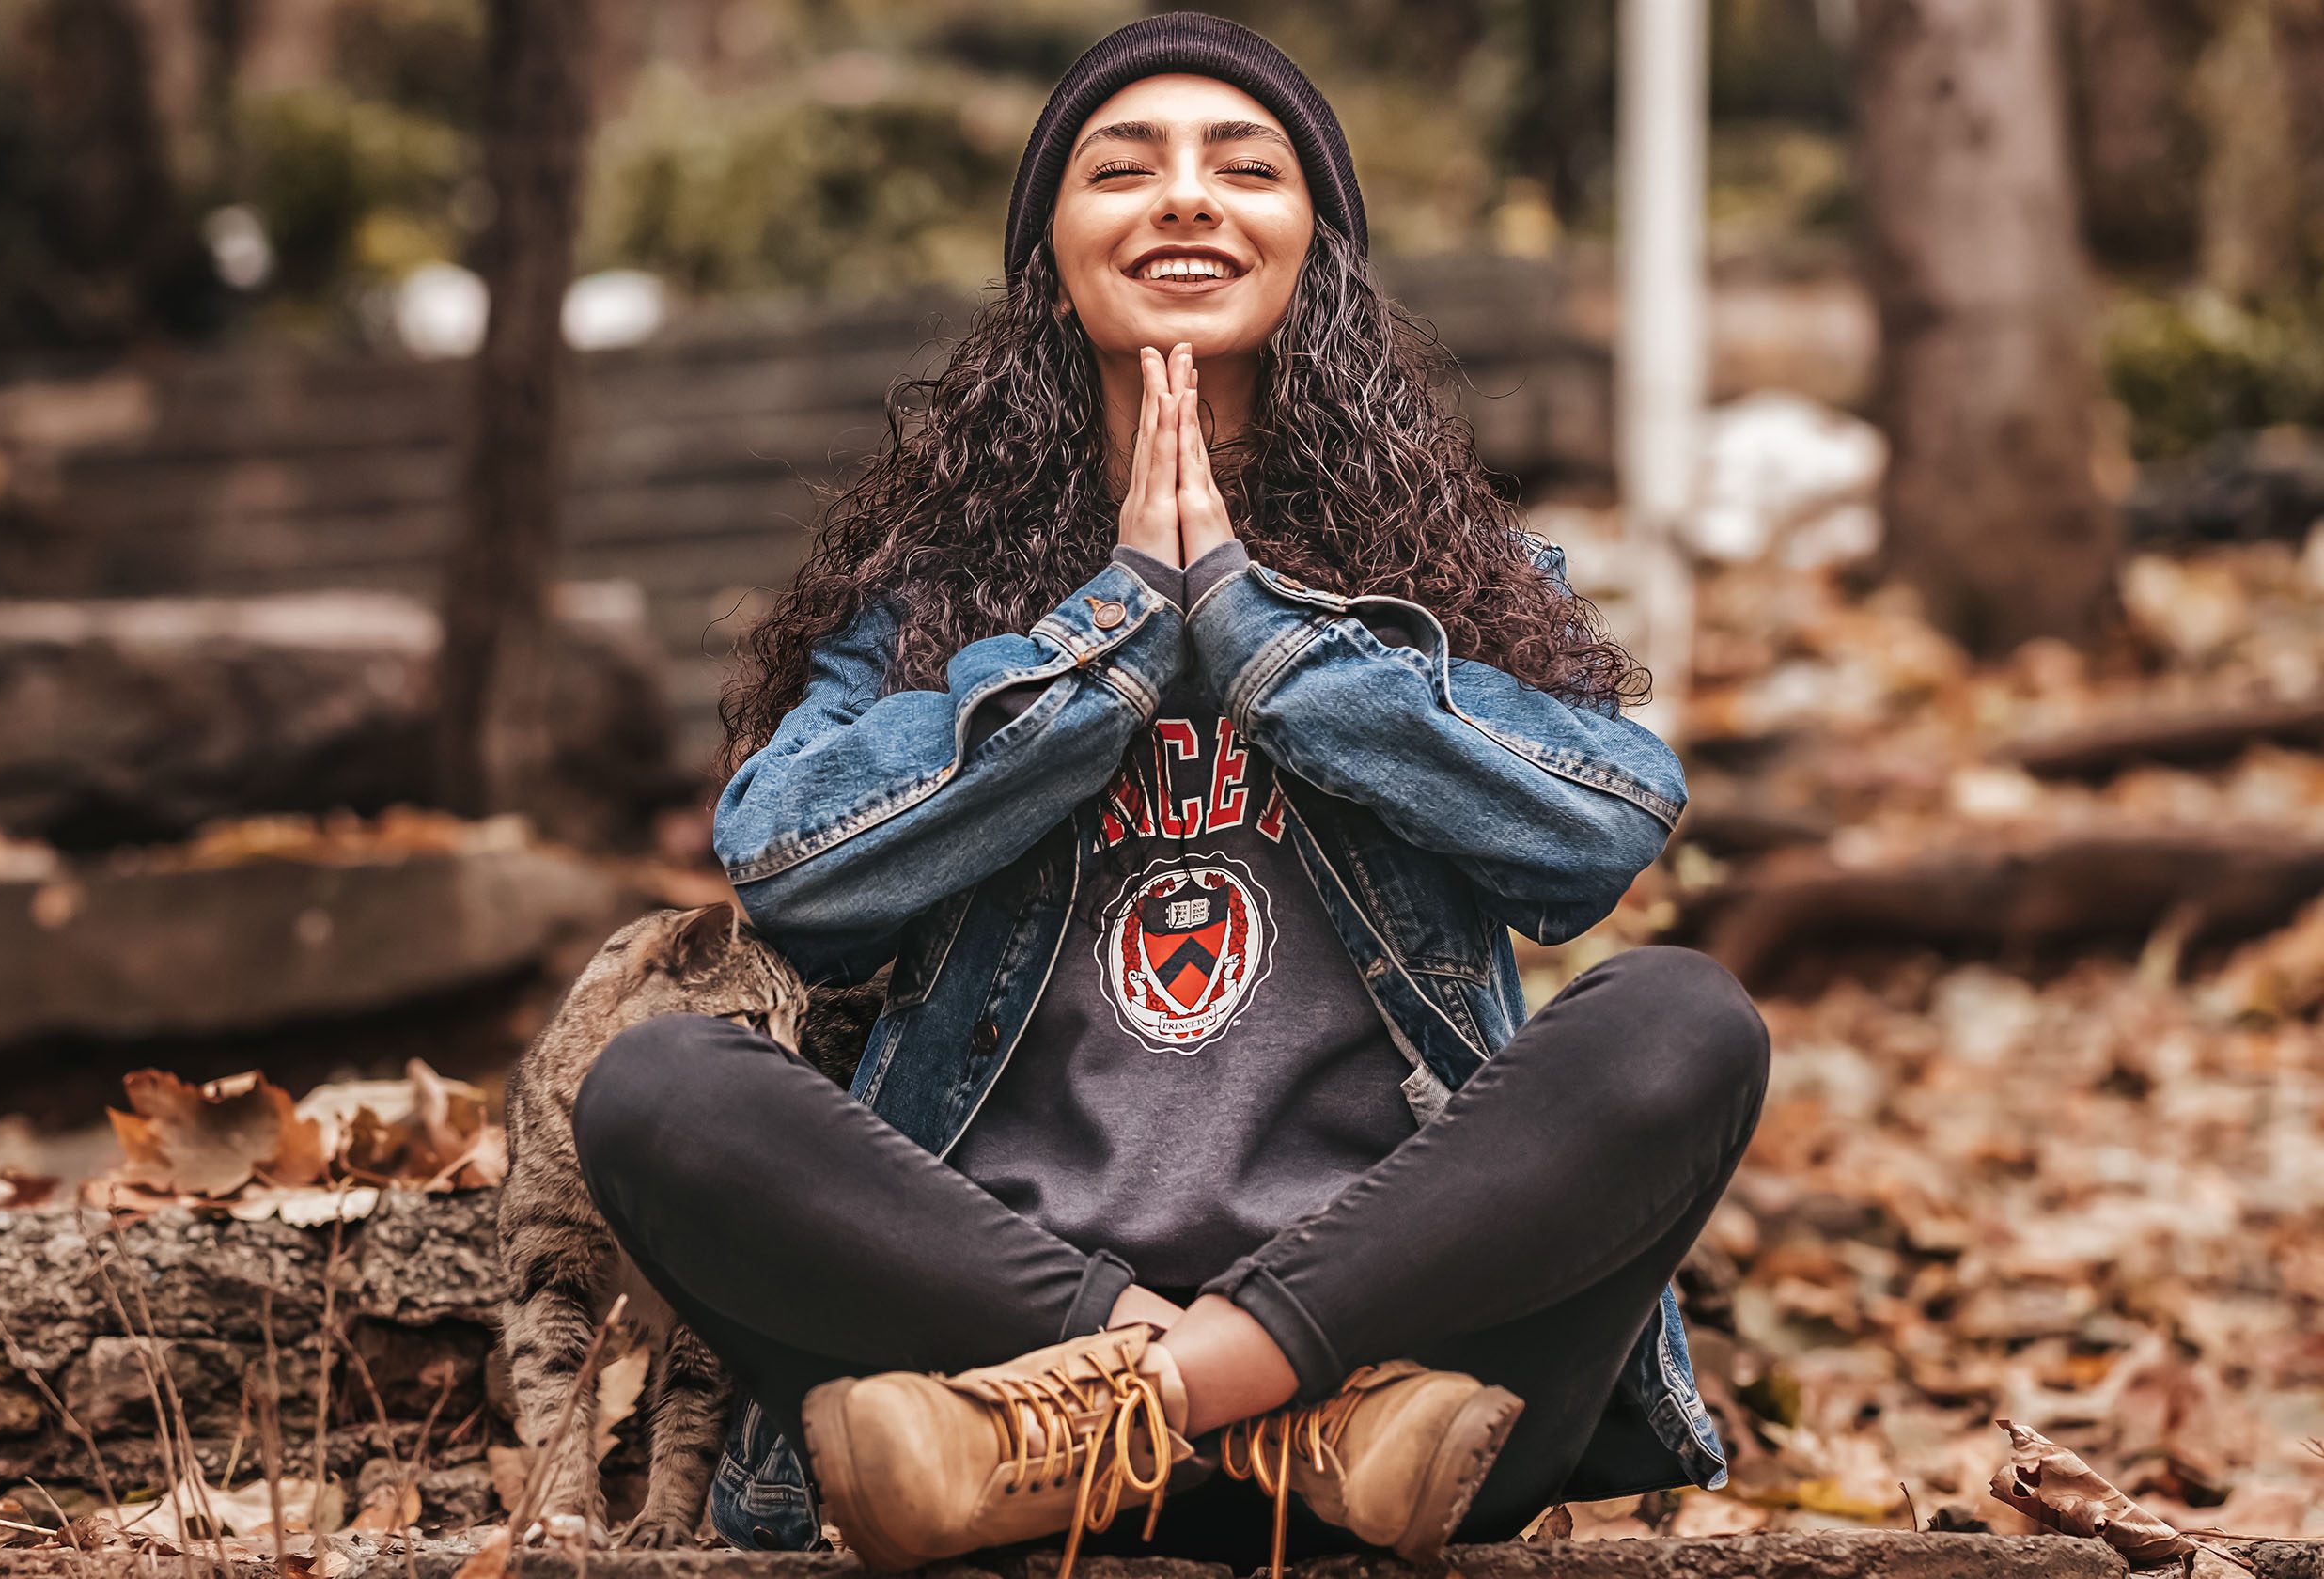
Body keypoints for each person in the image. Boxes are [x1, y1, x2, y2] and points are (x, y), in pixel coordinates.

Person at [570, 13, 1770, 1578]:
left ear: (1317, 250)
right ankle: (1216, 1407)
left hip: (1415, 1384)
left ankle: (1173, 1396)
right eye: (1124, 167)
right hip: (983, 1364)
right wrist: (1115, 633)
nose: (1188, 196)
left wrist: (1263, 639)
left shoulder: (1452, 580)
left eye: (1245, 168)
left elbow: (1603, 826)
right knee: (659, 1090)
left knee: (1684, 1022)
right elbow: (790, 868)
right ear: (1052, 258)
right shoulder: (925, 605)